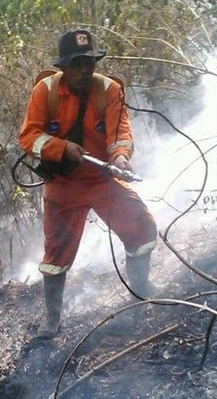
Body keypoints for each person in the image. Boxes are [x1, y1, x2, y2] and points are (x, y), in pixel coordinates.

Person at [19, 29, 158, 339]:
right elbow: (29, 137)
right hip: (64, 185)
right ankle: (52, 320)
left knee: (142, 226)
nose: (85, 69)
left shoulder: (109, 90)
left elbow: (120, 134)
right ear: (63, 67)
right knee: (56, 255)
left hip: (101, 178)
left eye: (90, 62)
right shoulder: (45, 91)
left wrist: (120, 158)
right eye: (77, 63)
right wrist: (61, 148)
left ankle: (140, 292)